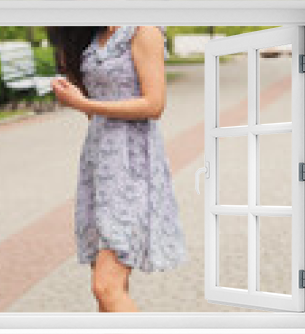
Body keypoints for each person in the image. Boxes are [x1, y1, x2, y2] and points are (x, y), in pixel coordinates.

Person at [47, 26, 188, 312]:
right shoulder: (93, 37)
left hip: (133, 165)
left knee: (106, 286)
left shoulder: (142, 30)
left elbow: (154, 104)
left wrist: (85, 103)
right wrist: (76, 97)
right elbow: (94, 112)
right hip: (99, 164)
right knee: (110, 289)